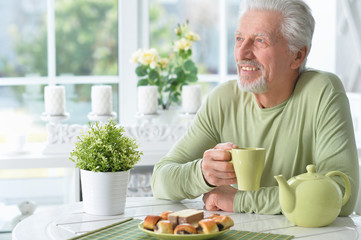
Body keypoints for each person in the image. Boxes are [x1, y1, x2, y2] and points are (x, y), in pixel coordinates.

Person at [151, 0, 359, 215]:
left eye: (260, 41)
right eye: (239, 39)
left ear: (297, 55)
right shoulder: (223, 99)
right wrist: (203, 174)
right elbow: (160, 180)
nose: (241, 53)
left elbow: (342, 194)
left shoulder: (322, 91)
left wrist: (241, 201)